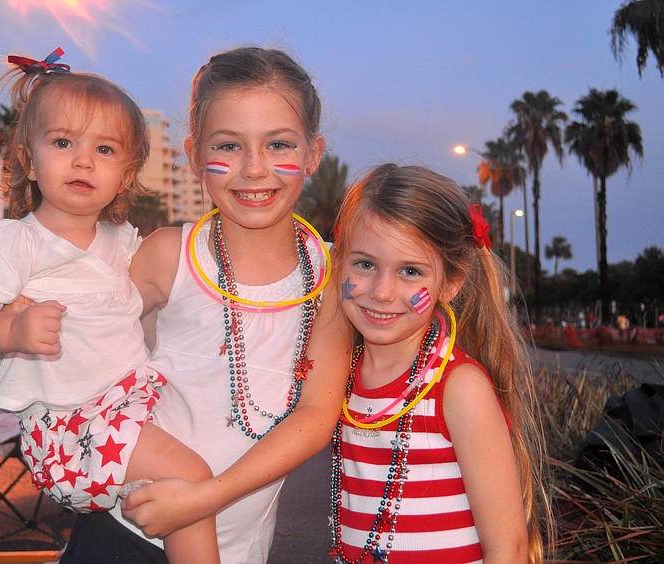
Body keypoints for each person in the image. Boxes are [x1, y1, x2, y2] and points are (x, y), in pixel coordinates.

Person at [59, 46, 352, 563]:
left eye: (278, 143)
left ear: (312, 152)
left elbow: (317, 413)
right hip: (127, 531)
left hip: (235, 551)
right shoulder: (167, 254)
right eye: (229, 146)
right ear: (194, 155)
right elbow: (84, 337)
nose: (255, 169)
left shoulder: (330, 277)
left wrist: (202, 498)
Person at [0, 48, 219, 563]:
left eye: (105, 149)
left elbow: (161, 297)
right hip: (73, 426)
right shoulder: (18, 242)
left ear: (128, 169)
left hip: (129, 404)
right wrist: (11, 332)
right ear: (28, 158)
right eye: (63, 142)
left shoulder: (122, 242)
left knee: (190, 474)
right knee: (194, 481)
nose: (83, 160)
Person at [329, 164, 549, 563]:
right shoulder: (338, 373)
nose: (381, 291)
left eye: (410, 271)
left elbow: (509, 548)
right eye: (364, 264)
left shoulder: (459, 389)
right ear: (339, 260)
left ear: (452, 282)